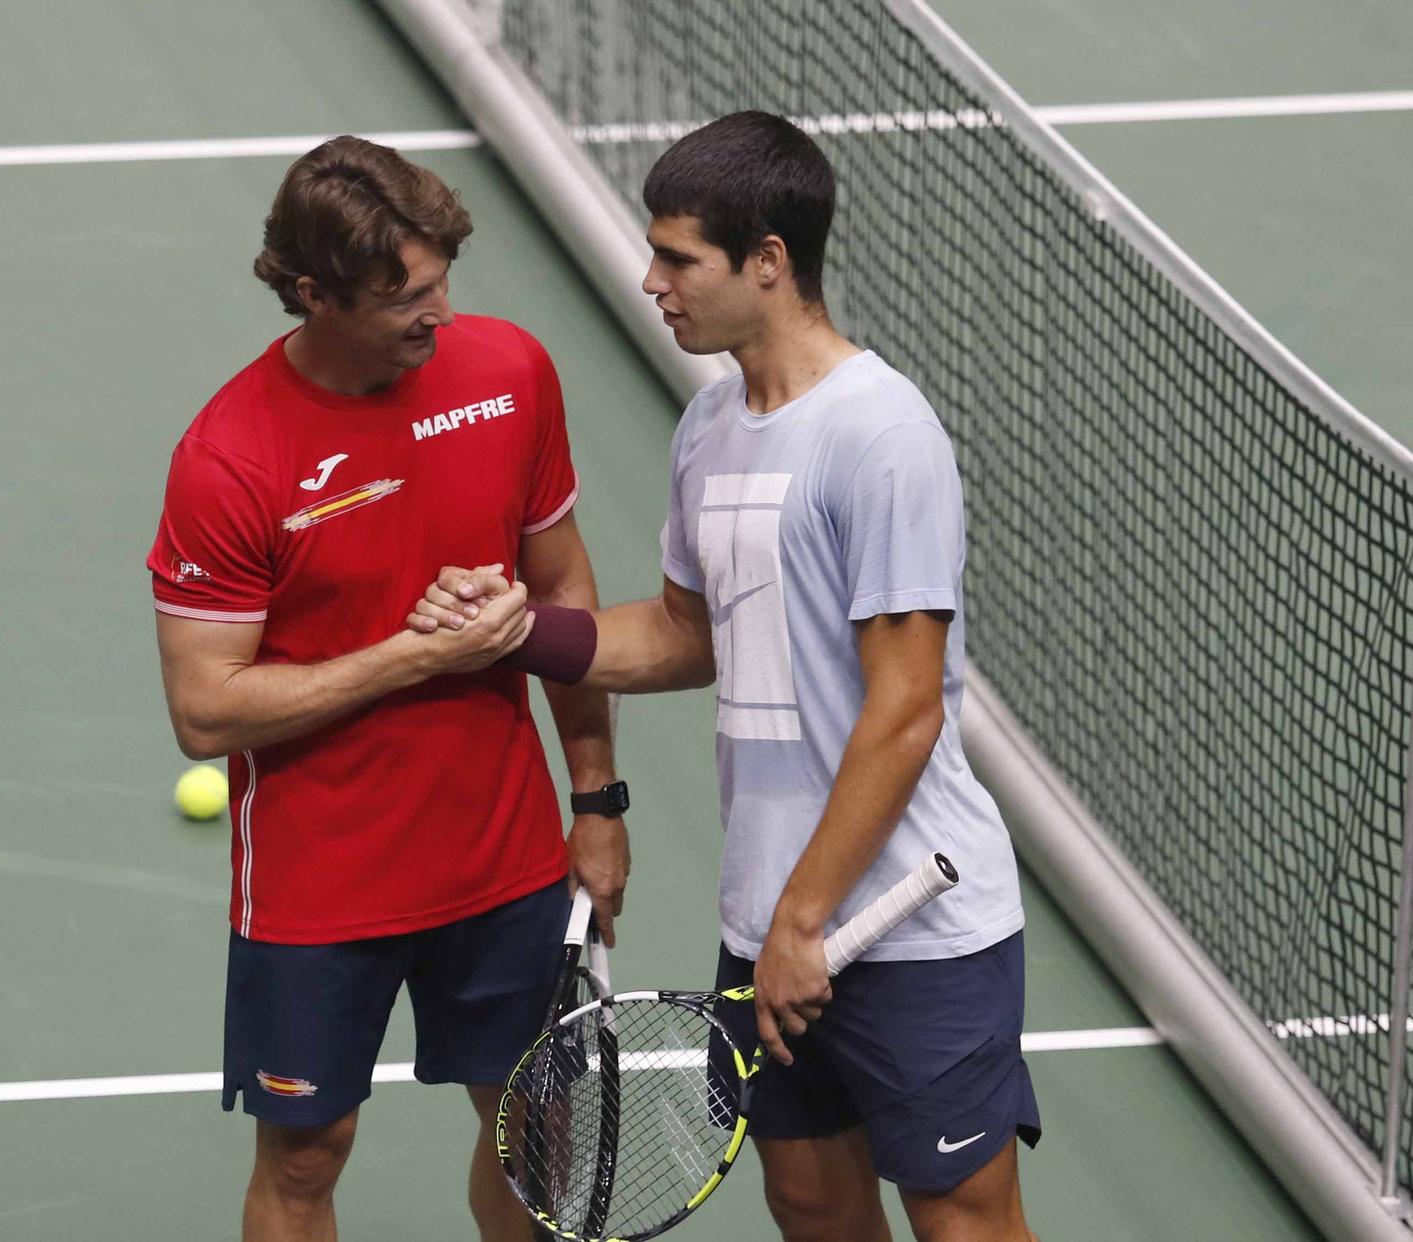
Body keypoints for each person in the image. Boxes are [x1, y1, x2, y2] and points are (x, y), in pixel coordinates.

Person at [409, 112, 1038, 1241]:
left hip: (904, 921)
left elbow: (901, 712)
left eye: (677, 259)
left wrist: (802, 921)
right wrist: (520, 633)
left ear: (768, 263)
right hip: (772, 911)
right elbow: (685, 635)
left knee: (961, 1217)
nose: (651, 281)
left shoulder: (880, 435)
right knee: (806, 1199)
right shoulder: (710, 425)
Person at [147, 135, 631, 1242]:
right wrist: (417, 656)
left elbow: (562, 591)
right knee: (306, 1158)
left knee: (534, 1130)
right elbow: (204, 710)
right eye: (402, 295)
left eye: (441, 281)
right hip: (321, 878)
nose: (437, 313)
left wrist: (596, 800)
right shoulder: (230, 458)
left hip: (502, 852)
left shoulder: (507, 373)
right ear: (311, 293)